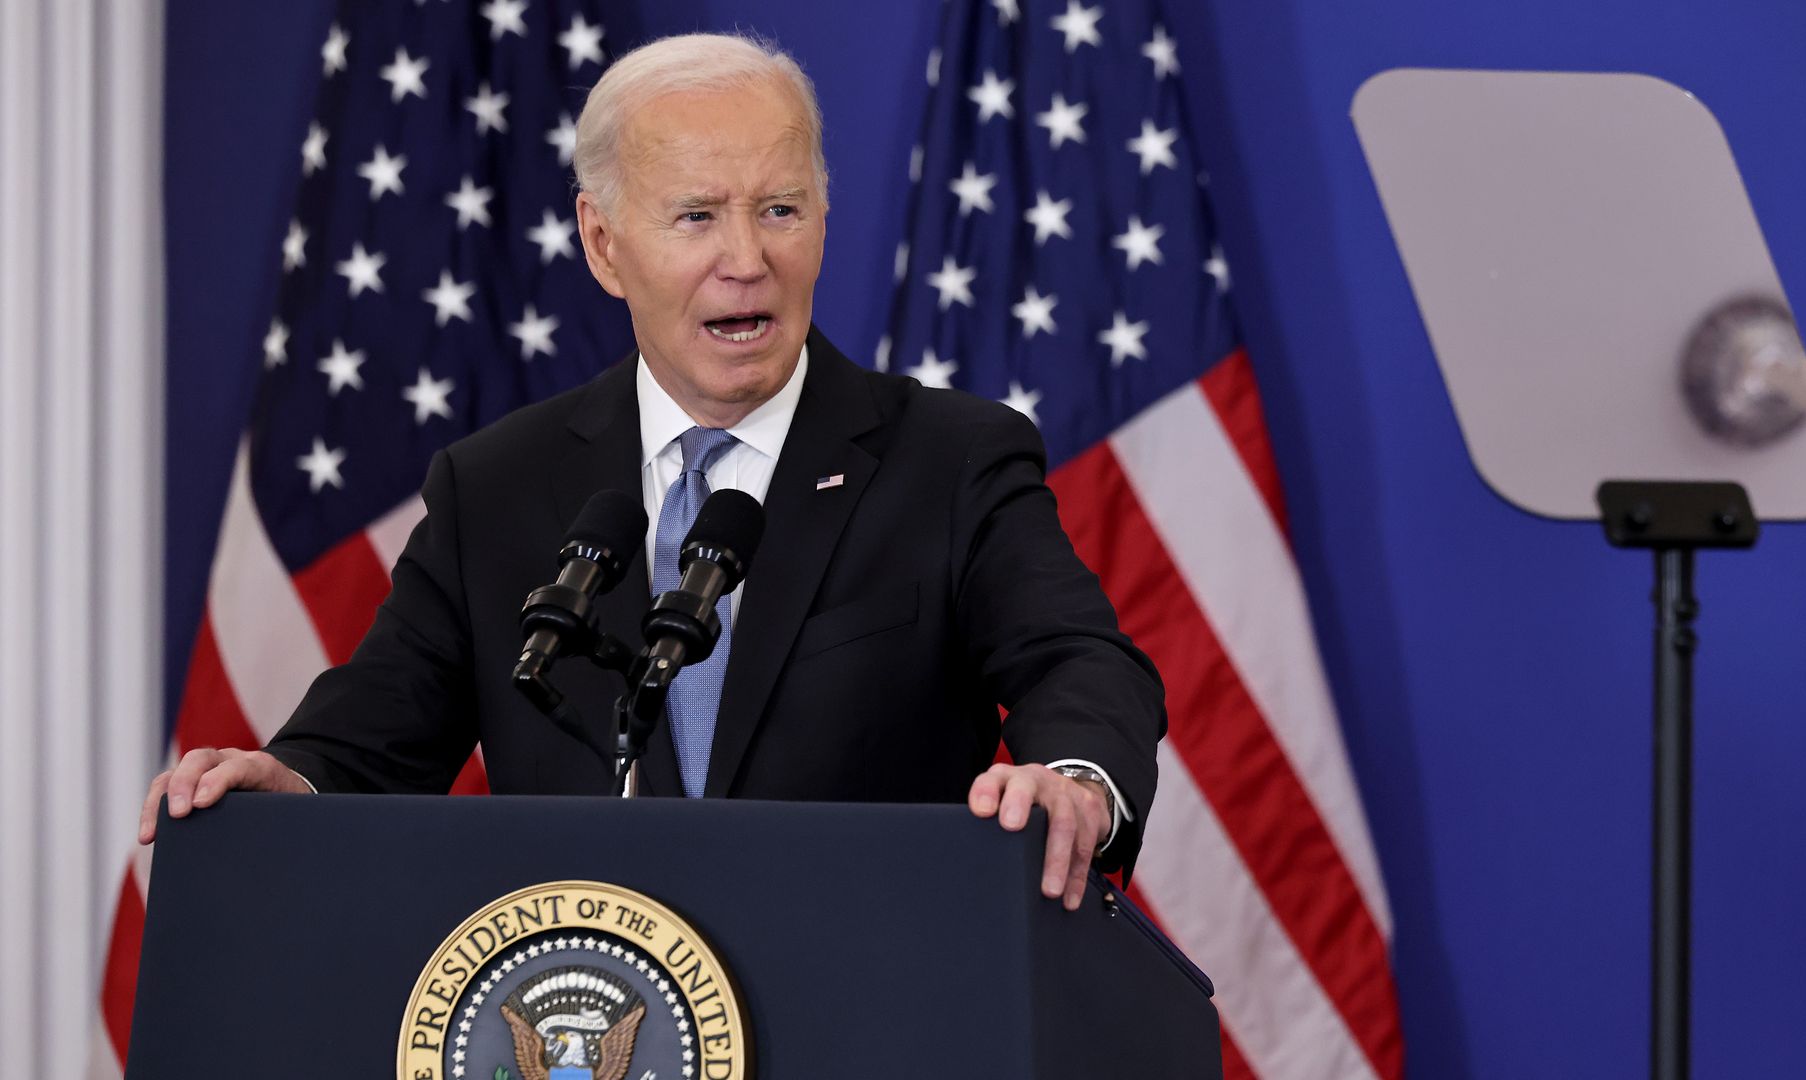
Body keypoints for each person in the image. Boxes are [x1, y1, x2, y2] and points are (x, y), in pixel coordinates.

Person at [139, 32, 1165, 912]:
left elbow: (1081, 663)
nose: (746, 258)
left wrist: (1075, 778)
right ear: (603, 241)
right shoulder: (497, 487)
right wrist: (290, 785)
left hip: (868, 1007)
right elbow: (373, 734)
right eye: (695, 216)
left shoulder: (948, 459)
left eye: (780, 209)